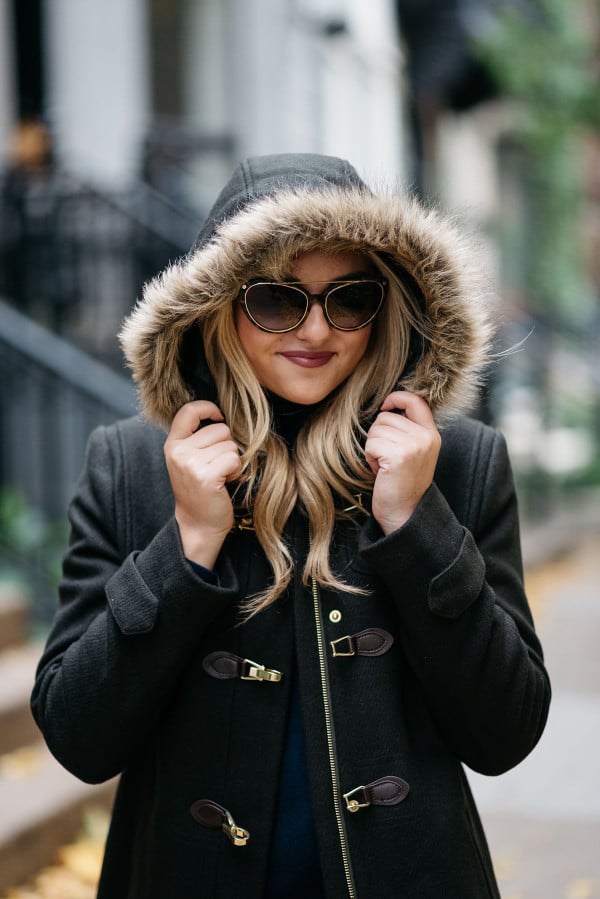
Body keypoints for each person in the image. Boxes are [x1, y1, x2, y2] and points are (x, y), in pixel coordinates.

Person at [31, 153, 551, 899]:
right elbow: (79, 738)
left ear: (387, 305)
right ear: (217, 306)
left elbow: (506, 734)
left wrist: (417, 526)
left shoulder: (457, 463)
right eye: (276, 299)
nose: (316, 329)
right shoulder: (132, 466)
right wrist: (186, 547)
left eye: (350, 298)